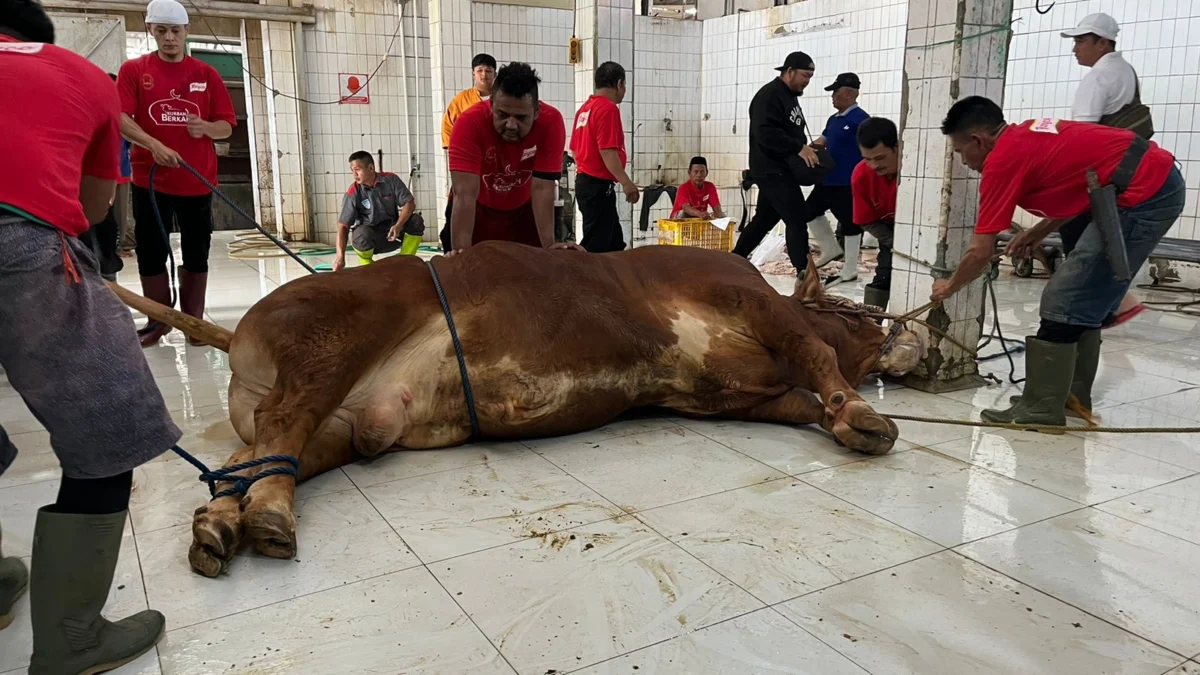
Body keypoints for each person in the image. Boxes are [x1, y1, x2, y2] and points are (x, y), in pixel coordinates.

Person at [0, 2, 179, 671]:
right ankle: (71, 641)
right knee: (109, 431)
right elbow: (95, 206)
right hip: (19, 246)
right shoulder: (76, 72)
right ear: (39, 38)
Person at [931, 96, 1184, 426]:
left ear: (979, 140)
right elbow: (1082, 182)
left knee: (1065, 299)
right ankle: (1068, 397)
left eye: (961, 151)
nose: (963, 161)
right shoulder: (1025, 136)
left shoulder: (1001, 161)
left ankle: (1041, 409)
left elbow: (980, 252)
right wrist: (1038, 231)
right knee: (1083, 299)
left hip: (1145, 192)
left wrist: (949, 287)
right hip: (1139, 181)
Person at [117, 0, 236, 347]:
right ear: (150, 30)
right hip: (150, 180)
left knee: (197, 251)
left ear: (186, 31)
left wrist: (206, 128)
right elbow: (119, 117)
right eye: (162, 30)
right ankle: (158, 321)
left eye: (175, 31)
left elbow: (227, 125)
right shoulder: (134, 70)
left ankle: (193, 322)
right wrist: (152, 144)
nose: (169, 38)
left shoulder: (206, 74)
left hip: (196, 180)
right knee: (151, 251)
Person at [1057, 12, 1150, 328]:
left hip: (1101, 169)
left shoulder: (1098, 78)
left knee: (1075, 230)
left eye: (1081, 41)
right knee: (1104, 233)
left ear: (1102, 43)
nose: (1075, 49)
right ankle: (1115, 301)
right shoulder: (1125, 71)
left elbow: (1083, 137)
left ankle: (1107, 304)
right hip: (1126, 166)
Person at [442, 62, 566, 252]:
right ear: (491, 104)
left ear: (536, 112)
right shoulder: (469, 123)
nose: (511, 125)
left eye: (521, 118)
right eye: (502, 115)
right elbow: (465, 195)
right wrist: (461, 256)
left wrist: (550, 247)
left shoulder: (551, 122)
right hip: (477, 209)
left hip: (524, 210)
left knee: (538, 264)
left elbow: (542, 189)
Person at [733, 51, 823, 280]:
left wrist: (805, 147)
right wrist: (798, 147)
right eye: (805, 75)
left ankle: (733, 260)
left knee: (764, 220)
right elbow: (765, 133)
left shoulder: (789, 96)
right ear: (789, 71)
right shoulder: (769, 96)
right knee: (796, 217)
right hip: (772, 169)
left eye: (810, 77)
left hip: (782, 168)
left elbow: (790, 129)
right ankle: (804, 272)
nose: (807, 81)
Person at [808, 72, 870, 284]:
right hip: (827, 178)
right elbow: (821, 141)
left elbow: (870, 149)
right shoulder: (833, 120)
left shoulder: (861, 120)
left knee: (850, 223)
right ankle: (830, 248)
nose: (832, 97)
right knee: (808, 212)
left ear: (849, 93)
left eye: (835, 92)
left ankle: (850, 268)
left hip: (847, 181)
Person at [571, 61, 638, 253]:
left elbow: (574, 150)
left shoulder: (584, 110)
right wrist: (626, 183)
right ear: (619, 84)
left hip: (587, 184)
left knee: (614, 243)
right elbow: (607, 151)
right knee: (596, 246)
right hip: (597, 187)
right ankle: (583, 272)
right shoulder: (608, 109)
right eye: (624, 85)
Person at [76, 72, 132, 283]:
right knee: (91, 227)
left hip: (115, 175)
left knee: (108, 224)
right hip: (89, 179)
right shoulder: (86, 114)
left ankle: (109, 269)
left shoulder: (122, 118)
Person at [332, 151, 422, 272]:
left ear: (371, 168)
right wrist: (340, 257)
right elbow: (343, 226)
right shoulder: (353, 192)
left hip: (393, 234)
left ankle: (405, 262)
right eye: (352, 170)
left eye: (358, 170)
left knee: (416, 220)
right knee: (361, 235)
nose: (354, 174)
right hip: (371, 239)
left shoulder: (391, 180)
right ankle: (368, 267)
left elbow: (409, 203)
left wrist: (398, 225)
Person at [441, 53, 497, 227]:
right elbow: (448, 127)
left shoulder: (502, 98)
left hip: (496, 162)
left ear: (495, 74)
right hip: (468, 161)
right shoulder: (461, 100)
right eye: (480, 70)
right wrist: (456, 156)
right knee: (464, 199)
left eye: (488, 71)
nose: (484, 75)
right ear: (473, 73)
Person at [851, 117, 899, 311]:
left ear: (896, 148)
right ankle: (871, 322)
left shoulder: (917, 169)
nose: (873, 166)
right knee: (885, 274)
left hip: (922, 230)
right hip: (887, 230)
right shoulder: (861, 175)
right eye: (867, 159)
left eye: (879, 158)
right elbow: (867, 221)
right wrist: (895, 243)